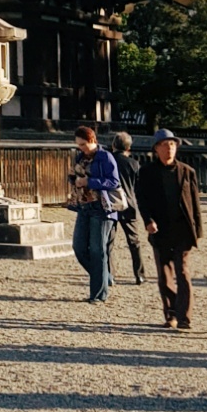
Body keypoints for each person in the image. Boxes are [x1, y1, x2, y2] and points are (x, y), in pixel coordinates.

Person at [136, 127, 204, 331]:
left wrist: (197, 230)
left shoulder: (187, 171)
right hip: (160, 229)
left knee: (182, 273)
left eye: (172, 145)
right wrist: (148, 221)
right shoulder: (147, 172)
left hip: (182, 229)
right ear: (156, 149)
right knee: (164, 274)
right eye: (165, 145)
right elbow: (142, 199)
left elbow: (195, 203)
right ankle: (171, 314)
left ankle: (185, 317)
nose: (169, 149)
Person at [67, 123, 122, 306]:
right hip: (84, 206)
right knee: (79, 247)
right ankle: (103, 276)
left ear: (92, 141)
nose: (81, 148)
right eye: (78, 145)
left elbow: (114, 181)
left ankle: (98, 294)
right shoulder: (80, 158)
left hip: (102, 207)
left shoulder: (105, 157)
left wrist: (90, 181)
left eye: (83, 144)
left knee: (98, 250)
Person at [111, 131, 146, 285]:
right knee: (134, 242)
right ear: (129, 147)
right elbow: (140, 189)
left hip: (110, 204)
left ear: (113, 146)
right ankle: (139, 274)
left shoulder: (109, 161)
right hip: (129, 205)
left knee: (107, 241)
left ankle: (109, 274)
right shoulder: (134, 164)